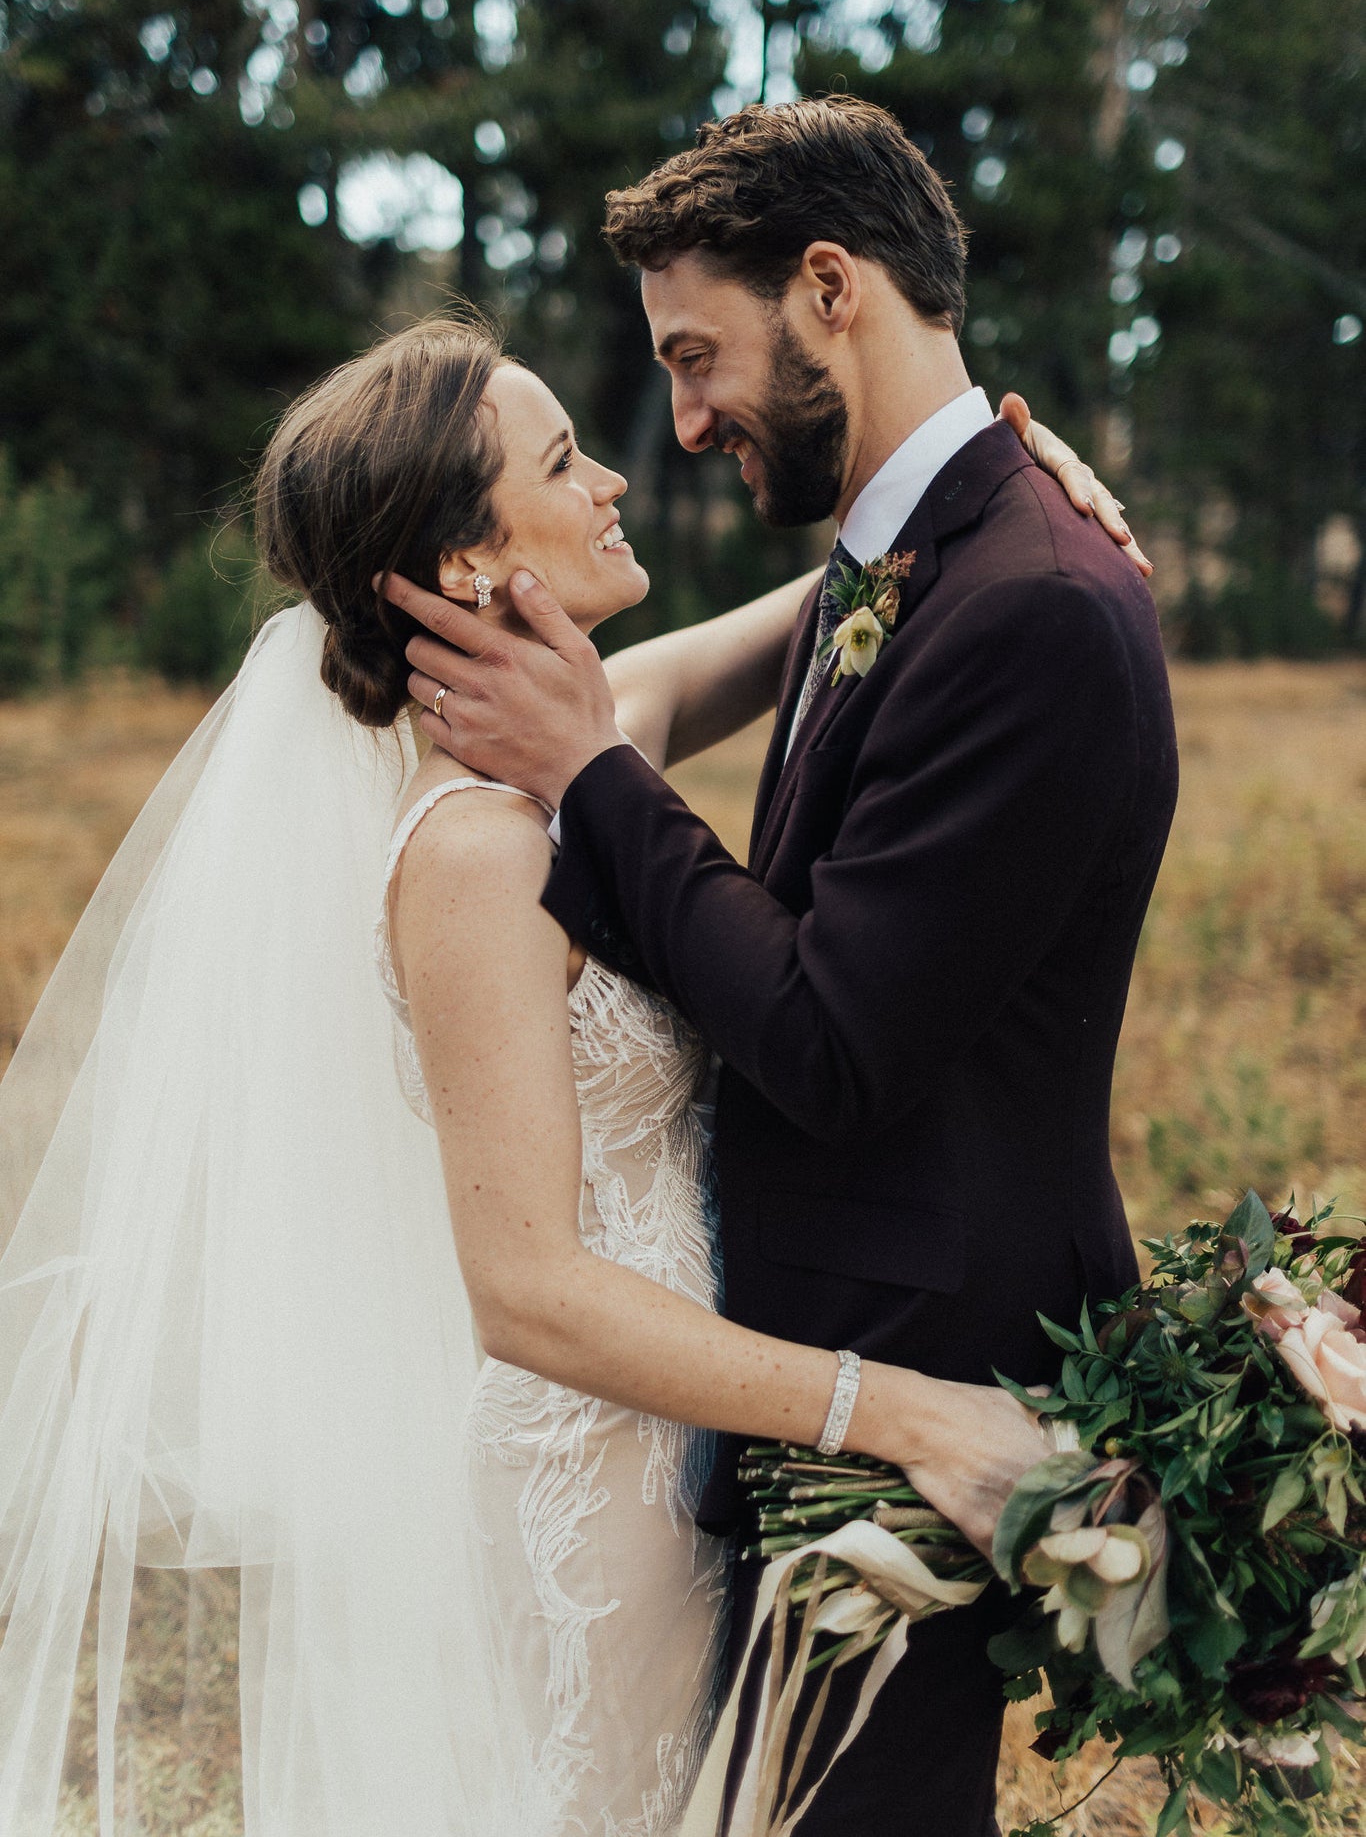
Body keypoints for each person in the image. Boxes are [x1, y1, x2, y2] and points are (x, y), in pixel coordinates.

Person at [0, 302, 1133, 1835]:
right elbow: (524, 1290)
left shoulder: (563, 748)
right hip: (602, 1495)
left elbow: (846, 596)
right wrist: (911, 1415)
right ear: (472, 568)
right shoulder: (471, 855)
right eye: (561, 461)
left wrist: (994, 485)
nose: (612, 478)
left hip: (700, 1442)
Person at [383, 96, 1181, 1837]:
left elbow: (825, 1040)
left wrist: (593, 773)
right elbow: (741, 652)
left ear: (831, 286)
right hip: (767, 1411)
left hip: (912, 1385)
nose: (674, 425)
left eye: (695, 356)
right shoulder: (906, 556)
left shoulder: (1023, 596)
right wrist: (966, 472)